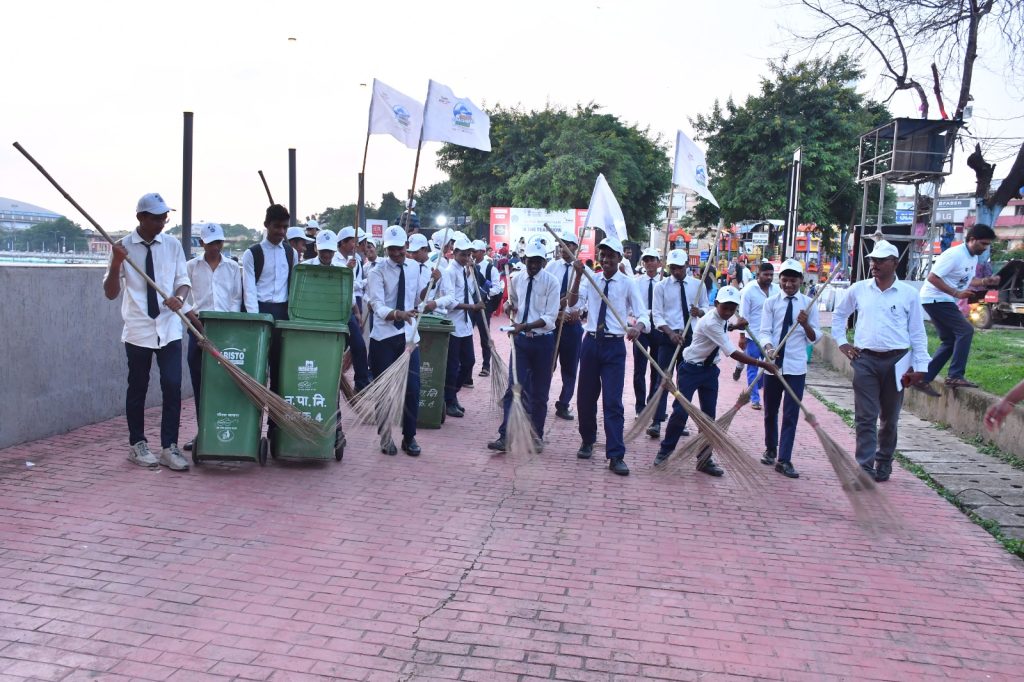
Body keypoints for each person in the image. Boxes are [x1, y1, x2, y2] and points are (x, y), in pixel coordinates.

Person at [103, 192, 191, 471]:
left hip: (169, 328)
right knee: (138, 387)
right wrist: (116, 263)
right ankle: (137, 444)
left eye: (165, 218)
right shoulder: (122, 248)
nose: (162, 223)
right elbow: (110, 293)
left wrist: (179, 297)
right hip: (138, 329)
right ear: (141, 217)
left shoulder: (172, 245)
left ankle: (169, 446)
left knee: (172, 385)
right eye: (156, 218)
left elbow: (183, 281)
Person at [831, 240, 931, 482]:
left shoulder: (909, 294)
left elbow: (918, 333)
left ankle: (884, 460)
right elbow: (839, 314)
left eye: (880, 260)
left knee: (889, 418)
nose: (874, 264)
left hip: (897, 361)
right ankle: (864, 467)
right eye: (872, 260)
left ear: (894, 263)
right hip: (865, 360)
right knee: (865, 416)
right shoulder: (859, 289)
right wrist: (842, 342)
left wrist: (921, 367)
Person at [654, 286, 777, 475]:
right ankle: (664, 452)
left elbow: (725, 326)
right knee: (681, 412)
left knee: (709, 417)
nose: (728, 312)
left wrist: (735, 326)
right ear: (716, 304)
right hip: (691, 370)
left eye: (732, 309)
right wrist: (762, 364)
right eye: (725, 307)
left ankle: (704, 459)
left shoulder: (722, 319)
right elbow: (732, 352)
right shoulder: (710, 322)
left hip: (710, 371)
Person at [566, 236, 648, 476]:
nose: (606, 259)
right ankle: (587, 440)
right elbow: (572, 305)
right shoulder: (590, 278)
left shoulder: (628, 283)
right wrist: (578, 276)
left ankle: (615, 454)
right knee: (585, 398)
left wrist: (637, 327)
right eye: (603, 255)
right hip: (590, 343)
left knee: (613, 402)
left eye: (611, 255)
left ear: (619, 257)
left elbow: (643, 315)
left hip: (614, 347)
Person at [365, 225, 440, 456]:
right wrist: (398, 314)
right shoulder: (377, 271)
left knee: (413, 389)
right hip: (383, 338)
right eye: (392, 249)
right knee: (384, 390)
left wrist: (432, 284)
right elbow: (377, 305)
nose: (396, 253)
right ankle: (386, 436)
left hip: (409, 337)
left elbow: (418, 297)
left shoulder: (415, 267)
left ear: (406, 246)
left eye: (400, 248)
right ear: (385, 248)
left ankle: (409, 437)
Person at [487, 238, 560, 452]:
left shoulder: (551, 282)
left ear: (544, 262)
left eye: (538, 261)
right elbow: (514, 302)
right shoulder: (517, 278)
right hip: (520, 342)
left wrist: (524, 325)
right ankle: (505, 436)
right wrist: (508, 306)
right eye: (530, 260)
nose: (533, 265)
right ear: (524, 259)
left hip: (543, 342)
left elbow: (550, 318)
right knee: (514, 387)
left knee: (540, 393)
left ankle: (536, 436)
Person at [755, 259, 820, 479]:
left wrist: (805, 324)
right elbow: (764, 331)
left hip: (796, 367)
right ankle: (770, 448)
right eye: (784, 280)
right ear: (779, 280)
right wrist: (769, 348)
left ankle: (784, 459)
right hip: (773, 365)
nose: (789, 284)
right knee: (770, 410)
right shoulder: (771, 303)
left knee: (791, 414)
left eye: (793, 280)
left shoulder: (809, 304)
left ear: (801, 280)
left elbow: (815, 338)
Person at [182, 222, 243, 452]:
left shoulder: (232, 267)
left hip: (226, 327)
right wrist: (195, 322)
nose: (216, 247)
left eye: (219, 242)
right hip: (198, 326)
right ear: (202, 243)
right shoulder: (191, 266)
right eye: (211, 243)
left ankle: (226, 430)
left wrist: (230, 323)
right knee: (200, 382)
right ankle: (203, 432)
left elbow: (236, 298)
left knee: (224, 382)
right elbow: (183, 298)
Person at [918, 224, 1000, 391]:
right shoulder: (954, 255)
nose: (985, 248)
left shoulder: (973, 257)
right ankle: (955, 376)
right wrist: (956, 293)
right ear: (972, 240)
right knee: (966, 330)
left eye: (988, 244)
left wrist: (985, 281)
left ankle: (923, 378)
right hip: (936, 299)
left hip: (942, 300)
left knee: (950, 340)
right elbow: (932, 277)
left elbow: (967, 280)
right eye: (983, 244)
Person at [242, 204, 299, 434]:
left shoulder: (291, 253)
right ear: (266, 225)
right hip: (259, 314)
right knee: (255, 370)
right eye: (277, 227)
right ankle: (250, 424)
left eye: (285, 227)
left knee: (279, 371)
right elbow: (249, 290)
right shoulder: (252, 253)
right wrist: (257, 322)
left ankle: (274, 426)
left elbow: (293, 286)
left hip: (283, 315)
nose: (281, 232)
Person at [650, 249, 709, 439]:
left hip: (690, 338)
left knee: (685, 382)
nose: (676, 271)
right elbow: (657, 315)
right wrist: (670, 333)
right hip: (668, 337)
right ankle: (656, 420)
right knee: (663, 378)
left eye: (680, 268)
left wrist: (699, 312)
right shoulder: (661, 287)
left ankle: (678, 420)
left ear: (687, 266)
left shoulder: (698, 285)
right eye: (673, 268)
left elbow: (707, 308)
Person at [441, 235, 484, 417]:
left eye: (469, 255)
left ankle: (452, 395)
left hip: (465, 325)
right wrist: (472, 307)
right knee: (452, 366)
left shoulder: (466, 270)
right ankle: (449, 399)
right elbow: (450, 302)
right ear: (455, 253)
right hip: (453, 325)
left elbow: (472, 291)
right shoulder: (449, 272)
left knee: (469, 362)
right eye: (463, 255)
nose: (467, 258)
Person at [545, 229, 584, 421]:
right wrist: (556, 313)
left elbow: (587, 298)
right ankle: (539, 398)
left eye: (567, 244)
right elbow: (544, 293)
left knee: (570, 368)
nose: (562, 248)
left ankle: (564, 403)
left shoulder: (584, 270)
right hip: (552, 324)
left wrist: (580, 311)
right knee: (547, 364)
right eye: (560, 245)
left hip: (572, 326)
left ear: (575, 247)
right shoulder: (551, 267)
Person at [734, 262, 780, 409]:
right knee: (753, 366)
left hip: (770, 337)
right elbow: (743, 314)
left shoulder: (777, 290)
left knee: (768, 367)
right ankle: (754, 399)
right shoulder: (749, 290)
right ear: (758, 274)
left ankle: (740, 367)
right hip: (753, 335)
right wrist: (742, 336)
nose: (769, 277)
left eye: (771, 275)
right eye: (766, 274)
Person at [332, 227, 371, 392]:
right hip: (333, 310)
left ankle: (361, 384)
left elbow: (349, 289)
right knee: (337, 348)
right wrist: (346, 270)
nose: (355, 245)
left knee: (359, 345)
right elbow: (336, 283)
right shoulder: (334, 259)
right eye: (352, 242)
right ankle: (332, 379)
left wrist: (356, 311)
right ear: (342, 242)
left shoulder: (353, 260)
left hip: (348, 308)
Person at [633, 248, 665, 421]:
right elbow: (631, 305)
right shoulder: (636, 283)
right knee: (639, 368)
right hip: (641, 327)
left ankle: (653, 404)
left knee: (657, 368)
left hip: (659, 328)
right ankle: (640, 406)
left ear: (659, 263)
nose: (649, 263)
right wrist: (641, 315)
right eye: (646, 260)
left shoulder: (664, 282)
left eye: (652, 259)